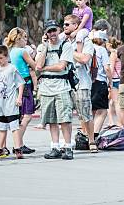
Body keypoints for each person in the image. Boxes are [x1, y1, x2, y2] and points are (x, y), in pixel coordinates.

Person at [35, 19, 75, 160]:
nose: (52, 33)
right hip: (46, 88)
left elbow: (61, 66)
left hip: (61, 86)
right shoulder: (42, 47)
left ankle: (68, 147)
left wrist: (45, 68)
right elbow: (37, 66)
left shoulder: (66, 45)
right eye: (49, 31)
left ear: (59, 30)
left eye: (54, 30)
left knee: (65, 119)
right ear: (45, 33)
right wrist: (45, 46)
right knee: (51, 120)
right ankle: (55, 147)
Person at [64, 15, 98, 153]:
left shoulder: (85, 41)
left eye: (67, 24)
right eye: (64, 24)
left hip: (81, 83)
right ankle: (67, 143)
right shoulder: (62, 40)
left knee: (85, 114)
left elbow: (84, 58)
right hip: (65, 84)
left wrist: (69, 52)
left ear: (76, 26)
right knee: (65, 116)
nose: (64, 26)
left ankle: (91, 141)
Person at [5, 27, 37, 154]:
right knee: (27, 115)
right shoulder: (22, 51)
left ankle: (20, 143)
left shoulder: (11, 51)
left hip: (15, 84)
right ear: (18, 39)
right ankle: (18, 144)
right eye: (24, 37)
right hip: (25, 83)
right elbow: (34, 65)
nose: (26, 40)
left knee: (20, 115)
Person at [91, 30, 112, 134]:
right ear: (103, 40)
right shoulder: (102, 50)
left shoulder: (88, 48)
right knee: (102, 110)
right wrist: (110, 82)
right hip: (100, 81)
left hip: (89, 82)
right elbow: (107, 68)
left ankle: (87, 134)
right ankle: (94, 134)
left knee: (92, 110)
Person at [107, 37, 123, 127]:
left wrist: (108, 80)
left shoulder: (113, 54)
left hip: (114, 80)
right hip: (121, 79)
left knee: (115, 102)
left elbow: (111, 69)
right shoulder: (120, 53)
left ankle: (115, 122)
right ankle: (114, 121)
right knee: (113, 102)